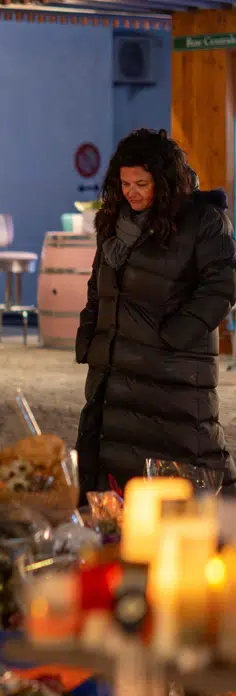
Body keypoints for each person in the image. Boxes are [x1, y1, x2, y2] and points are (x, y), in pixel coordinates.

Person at [75, 128, 236, 497]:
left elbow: (223, 285)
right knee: (113, 461)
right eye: (125, 183)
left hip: (171, 369)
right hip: (114, 368)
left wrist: (174, 336)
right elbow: (98, 285)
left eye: (141, 183)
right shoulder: (114, 221)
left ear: (163, 182)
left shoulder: (203, 221)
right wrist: (90, 333)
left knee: (187, 458)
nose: (131, 191)